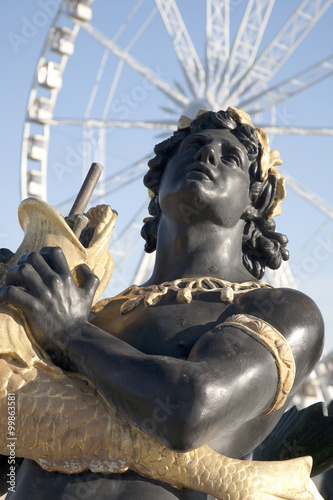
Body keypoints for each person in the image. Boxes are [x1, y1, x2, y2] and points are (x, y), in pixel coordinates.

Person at [0, 108, 325, 499]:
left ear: (255, 202)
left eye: (231, 157)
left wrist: (69, 333)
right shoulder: (92, 311)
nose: (207, 156)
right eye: (194, 146)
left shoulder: (280, 309)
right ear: (157, 184)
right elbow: (13, 448)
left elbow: (190, 410)